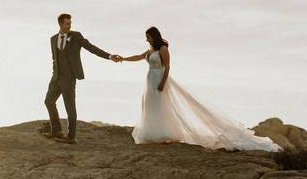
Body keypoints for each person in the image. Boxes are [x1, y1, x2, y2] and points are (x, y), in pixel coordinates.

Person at [116, 27, 280, 151]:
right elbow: (138, 57)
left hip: (159, 79)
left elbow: (167, 67)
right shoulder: (150, 49)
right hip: (149, 79)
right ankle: (153, 133)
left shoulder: (163, 49)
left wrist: (162, 83)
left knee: (161, 105)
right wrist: (123, 58)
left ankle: (163, 133)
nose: (147, 40)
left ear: (154, 36)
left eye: (148, 37)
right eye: (146, 38)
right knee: (150, 105)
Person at [43, 13, 120, 144]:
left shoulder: (76, 36)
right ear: (60, 24)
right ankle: (57, 130)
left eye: (70, 23)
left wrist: (109, 56)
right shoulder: (53, 39)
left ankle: (71, 136)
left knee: (70, 107)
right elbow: (54, 58)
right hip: (56, 77)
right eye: (67, 23)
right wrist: (55, 71)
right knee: (49, 101)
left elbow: (91, 48)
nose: (69, 26)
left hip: (69, 77)